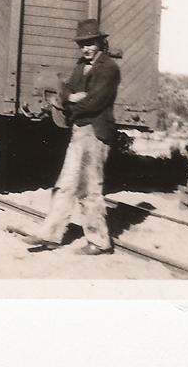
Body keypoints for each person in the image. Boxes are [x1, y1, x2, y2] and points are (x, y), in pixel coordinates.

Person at [17, 18, 120, 255]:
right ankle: (50, 234)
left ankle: (99, 241)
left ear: (100, 43)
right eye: (82, 44)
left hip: (95, 133)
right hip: (79, 131)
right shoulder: (81, 65)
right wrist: (72, 97)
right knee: (65, 185)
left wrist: (73, 101)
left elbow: (95, 103)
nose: (86, 48)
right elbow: (65, 91)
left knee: (89, 189)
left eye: (90, 43)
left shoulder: (109, 69)